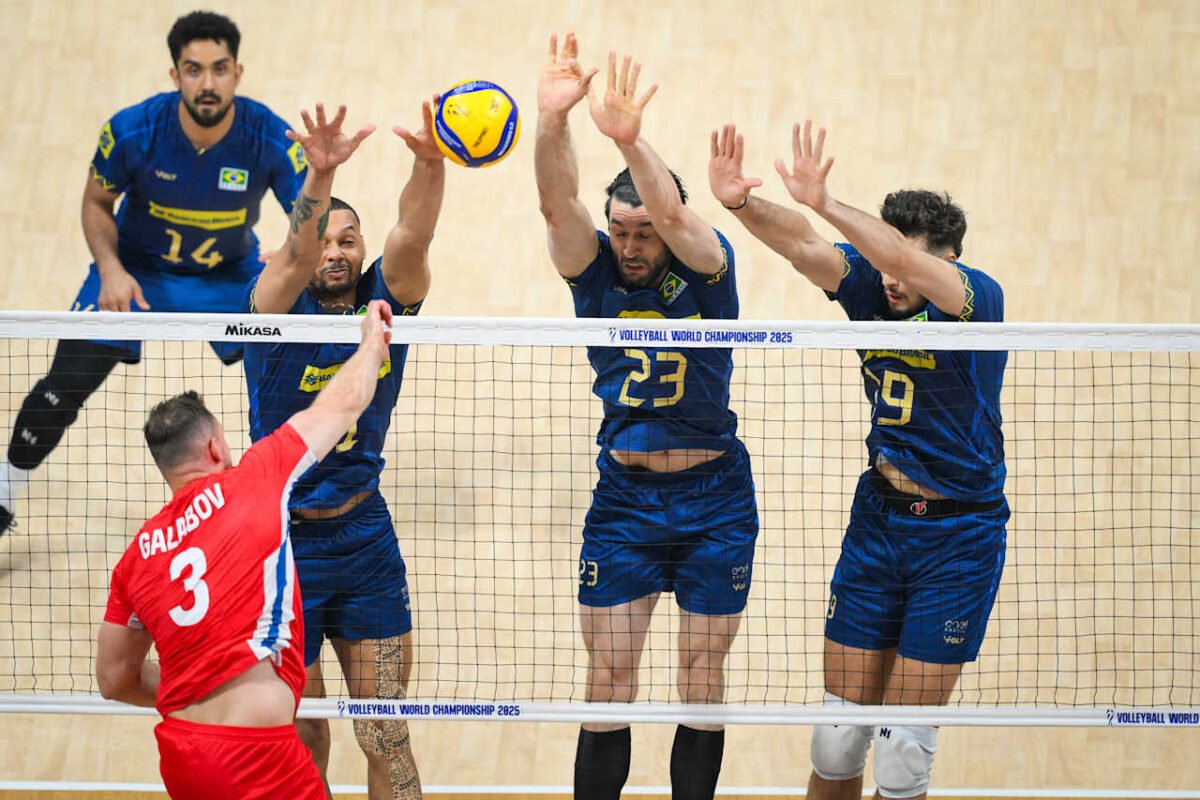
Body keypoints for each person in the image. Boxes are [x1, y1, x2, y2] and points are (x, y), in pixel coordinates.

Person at [710, 121, 1008, 800]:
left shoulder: (976, 299)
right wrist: (738, 203)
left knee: (901, 756)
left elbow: (890, 258)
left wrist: (827, 200)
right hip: (878, 521)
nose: (890, 276)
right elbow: (803, 244)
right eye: (886, 258)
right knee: (838, 739)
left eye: (908, 259)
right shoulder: (873, 288)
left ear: (949, 259)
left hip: (958, 536)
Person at [94, 131, 391, 796]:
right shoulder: (254, 479)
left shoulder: (137, 557)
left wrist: (187, 696)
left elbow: (113, 680)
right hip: (259, 755)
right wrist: (372, 343)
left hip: (182, 752)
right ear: (216, 449)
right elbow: (340, 403)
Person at [535, 33, 759, 800]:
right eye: (621, 231)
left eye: (644, 233)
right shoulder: (594, 270)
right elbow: (556, 203)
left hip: (714, 500)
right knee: (609, 677)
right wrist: (551, 121)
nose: (632, 245)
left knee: (701, 675)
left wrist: (633, 142)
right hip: (625, 498)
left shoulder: (707, 269)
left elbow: (668, 204)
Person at [0, 10, 307, 534]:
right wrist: (110, 267)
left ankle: (298, 502)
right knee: (65, 379)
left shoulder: (270, 138)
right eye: (193, 70)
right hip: (136, 272)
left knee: (290, 369)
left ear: (238, 71)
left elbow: (311, 213)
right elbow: (97, 203)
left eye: (219, 68)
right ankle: (3, 494)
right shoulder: (132, 131)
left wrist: (288, 251)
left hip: (228, 276)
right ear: (175, 76)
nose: (207, 83)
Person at [242, 97, 446, 800]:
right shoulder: (274, 306)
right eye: (327, 240)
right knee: (297, 731)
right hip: (279, 548)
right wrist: (319, 176)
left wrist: (428, 162)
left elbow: (414, 234)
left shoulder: (387, 304)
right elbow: (295, 250)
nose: (336, 251)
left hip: (363, 540)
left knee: (384, 728)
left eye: (349, 241)